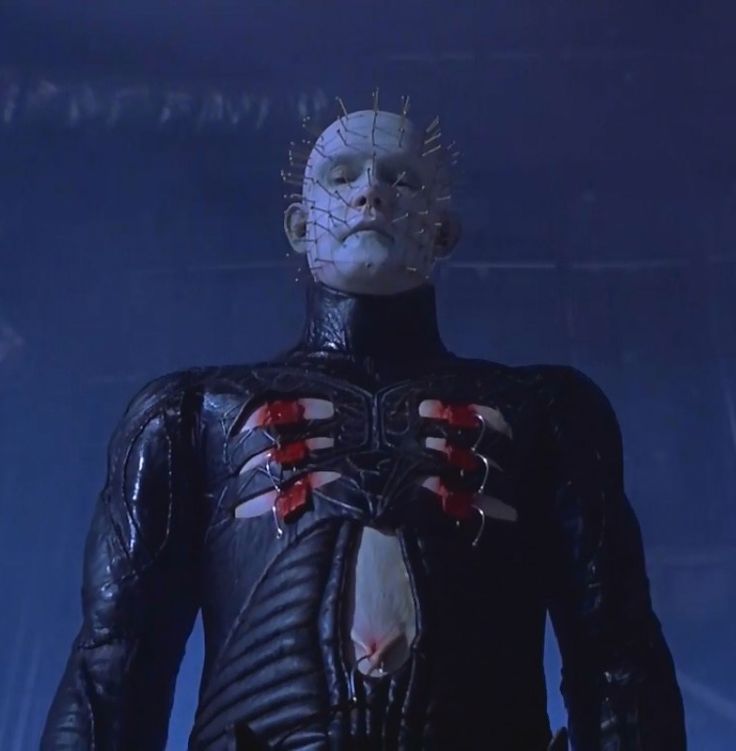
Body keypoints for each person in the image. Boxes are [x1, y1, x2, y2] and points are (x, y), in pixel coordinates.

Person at [42, 98, 686, 750]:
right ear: (300, 226)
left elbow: (617, 654)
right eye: (342, 176)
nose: (371, 193)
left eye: (401, 179)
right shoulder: (187, 415)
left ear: (442, 232)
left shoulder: (547, 413)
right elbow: (113, 667)